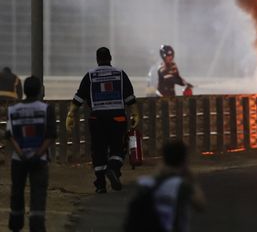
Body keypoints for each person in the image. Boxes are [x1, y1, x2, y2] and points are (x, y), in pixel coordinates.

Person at [67, 47, 139, 193]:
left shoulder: (90, 75)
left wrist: (70, 115)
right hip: (117, 118)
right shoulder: (120, 73)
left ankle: (100, 185)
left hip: (97, 119)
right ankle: (113, 169)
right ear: (110, 58)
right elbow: (130, 98)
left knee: (98, 150)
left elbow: (78, 98)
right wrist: (135, 114)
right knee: (118, 148)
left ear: (97, 59)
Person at [6, 76, 56, 232]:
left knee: (17, 192)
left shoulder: (13, 109)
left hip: (18, 160)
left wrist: (21, 154)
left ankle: (15, 225)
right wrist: (37, 154)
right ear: (40, 91)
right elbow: (50, 136)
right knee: (38, 194)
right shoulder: (46, 109)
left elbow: (10, 135)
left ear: (25, 91)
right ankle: (36, 226)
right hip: (39, 160)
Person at [124, 140, 205, 232]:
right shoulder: (180, 185)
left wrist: (157, 171)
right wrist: (192, 178)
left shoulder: (146, 183)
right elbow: (200, 205)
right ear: (184, 160)